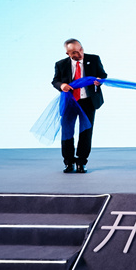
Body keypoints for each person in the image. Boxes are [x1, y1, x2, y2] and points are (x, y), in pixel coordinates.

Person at [52, 39, 107, 174]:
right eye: (75, 52)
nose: (80, 54)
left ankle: (81, 162)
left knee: (86, 132)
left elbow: (103, 75)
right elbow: (55, 81)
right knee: (67, 132)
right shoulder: (61, 64)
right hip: (69, 102)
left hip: (88, 101)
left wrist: (99, 81)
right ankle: (68, 162)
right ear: (68, 53)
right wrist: (62, 85)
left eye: (80, 49)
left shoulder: (94, 59)